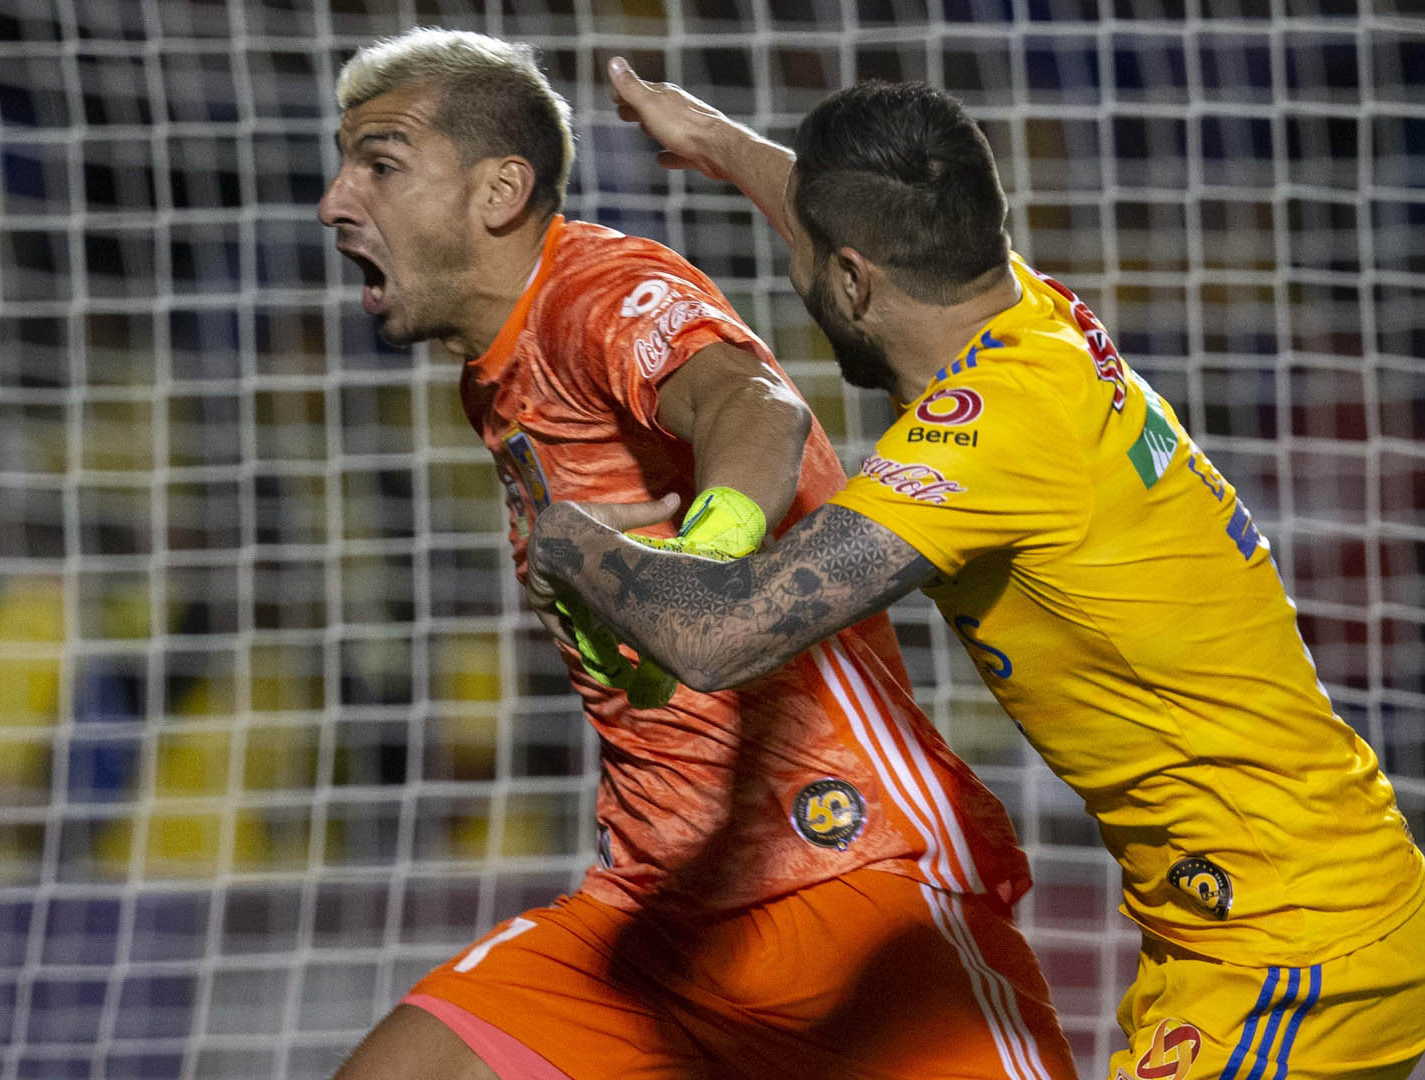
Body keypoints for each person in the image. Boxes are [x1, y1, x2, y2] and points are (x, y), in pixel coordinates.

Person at [528, 66, 1425, 1080]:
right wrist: (715, 139)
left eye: (812, 260)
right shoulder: (1034, 314)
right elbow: (858, 217)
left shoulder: (979, 447)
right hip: (1280, 917)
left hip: (1298, 946)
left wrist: (567, 537)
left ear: (852, 279)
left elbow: (719, 634)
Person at [317, 28, 1079, 1080]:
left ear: (500, 192)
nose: (335, 199)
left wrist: (713, 553)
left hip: (846, 878)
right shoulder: (494, 372)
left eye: (381, 165)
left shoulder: (596, 289)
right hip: (661, 909)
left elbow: (751, 401)